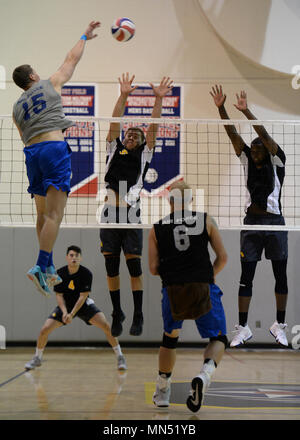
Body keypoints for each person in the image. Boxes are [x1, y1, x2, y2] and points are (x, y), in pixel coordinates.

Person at [12, 21, 100, 297]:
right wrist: (85, 35)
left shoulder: (16, 108)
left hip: (32, 154)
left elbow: (24, 136)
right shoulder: (48, 85)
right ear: (34, 75)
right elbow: (71, 59)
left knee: (42, 214)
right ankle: (40, 266)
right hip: (53, 150)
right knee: (55, 215)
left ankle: (47, 266)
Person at [210, 85, 289, 347]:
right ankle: (243, 328)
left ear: (267, 150)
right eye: (252, 148)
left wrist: (247, 112)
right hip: (252, 223)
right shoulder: (246, 159)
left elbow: (263, 135)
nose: (253, 150)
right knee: (247, 277)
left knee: (281, 275)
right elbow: (231, 134)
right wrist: (221, 108)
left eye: (258, 148)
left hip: (275, 222)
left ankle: (279, 324)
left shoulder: (278, 161)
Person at [100, 73, 173, 337]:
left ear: (142, 143)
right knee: (111, 267)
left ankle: (138, 313)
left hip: (130, 213)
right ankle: (117, 311)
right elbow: (114, 122)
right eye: (128, 134)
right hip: (109, 212)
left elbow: (153, 127)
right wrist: (123, 95)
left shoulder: (144, 155)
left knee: (133, 267)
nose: (130, 136)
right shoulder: (113, 149)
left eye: (135, 135)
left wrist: (158, 98)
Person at [148, 181, 228, 412]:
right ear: (191, 200)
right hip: (203, 285)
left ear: (169, 201)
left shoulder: (157, 228)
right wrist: (207, 276)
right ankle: (204, 376)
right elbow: (223, 258)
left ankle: (163, 391)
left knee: (170, 338)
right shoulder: (206, 220)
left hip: (173, 288)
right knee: (219, 339)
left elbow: (153, 269)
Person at [25, 245, 127, 371]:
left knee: (107, 326)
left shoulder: (86, 273)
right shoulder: (59, 273)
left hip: (83, 305)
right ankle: (37, 358)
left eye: (77, 256)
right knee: (44, 330)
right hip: (65, 307)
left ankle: (120, 357)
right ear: (67, 257)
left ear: (80, 258)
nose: (74, 258)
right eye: (71, 255)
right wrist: (64, 312)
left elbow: (83, 297)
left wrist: (72, 314)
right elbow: (59, 296)